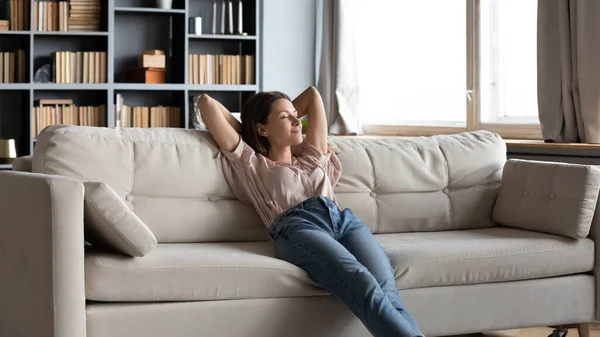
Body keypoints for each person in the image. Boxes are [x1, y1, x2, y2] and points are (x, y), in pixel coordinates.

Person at [197, 86, 424, 337]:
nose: (297, 121)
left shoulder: (312, 155)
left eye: (296, 115)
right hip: (297, 228)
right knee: (362, 282)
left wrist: (281, 118)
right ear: (262, 129)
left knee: (386, 288)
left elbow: (313, 95)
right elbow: (207, 104)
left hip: (344, 222)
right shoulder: (251, 162)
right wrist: (251, 130)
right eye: (286, 117)